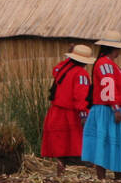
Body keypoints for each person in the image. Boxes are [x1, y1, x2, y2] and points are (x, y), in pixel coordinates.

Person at [81, 31, 121, 180]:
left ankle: (117, 177)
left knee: (115, 144)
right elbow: (107, 86)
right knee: (105, 143)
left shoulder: (109, 64)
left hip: (113, 108)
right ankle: (103, 178)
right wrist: (116, 109)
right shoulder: (105, 65)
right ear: (114, 49)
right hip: (108, 110)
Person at [40, 44, 94, 174]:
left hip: (56, 112)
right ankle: (82, 170)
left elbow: (59, 68)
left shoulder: (63, 69)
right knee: (76, 144)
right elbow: (80, 96)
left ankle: (61, 167)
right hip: (71, 114)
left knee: (61, 143)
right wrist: (84, 115)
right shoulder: (81, 74)